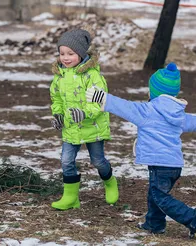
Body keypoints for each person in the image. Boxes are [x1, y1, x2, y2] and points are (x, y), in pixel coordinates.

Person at [85, 62, 196, 238]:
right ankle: (154, 224)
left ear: (154, 91)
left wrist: (102, 98)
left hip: (159, 164)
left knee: (159, 196)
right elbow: (193, 122)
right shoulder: (178, 114)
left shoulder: (148, 110)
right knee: (155, 194)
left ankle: (192, 217)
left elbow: (124, 107)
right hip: (173, 164)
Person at [49, 27, 119, 210]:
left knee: (98, 161)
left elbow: (99, 101)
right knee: (66, 161)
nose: (65, 58)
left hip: (93, 126)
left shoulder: (92, 76)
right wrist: (58, 115)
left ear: (80, 53)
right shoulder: (59, 76)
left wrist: (85, 113)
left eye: (70, 53)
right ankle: (71, 197)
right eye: (62, 53)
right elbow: (56, 98)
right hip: (71, 127)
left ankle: (110, 181)